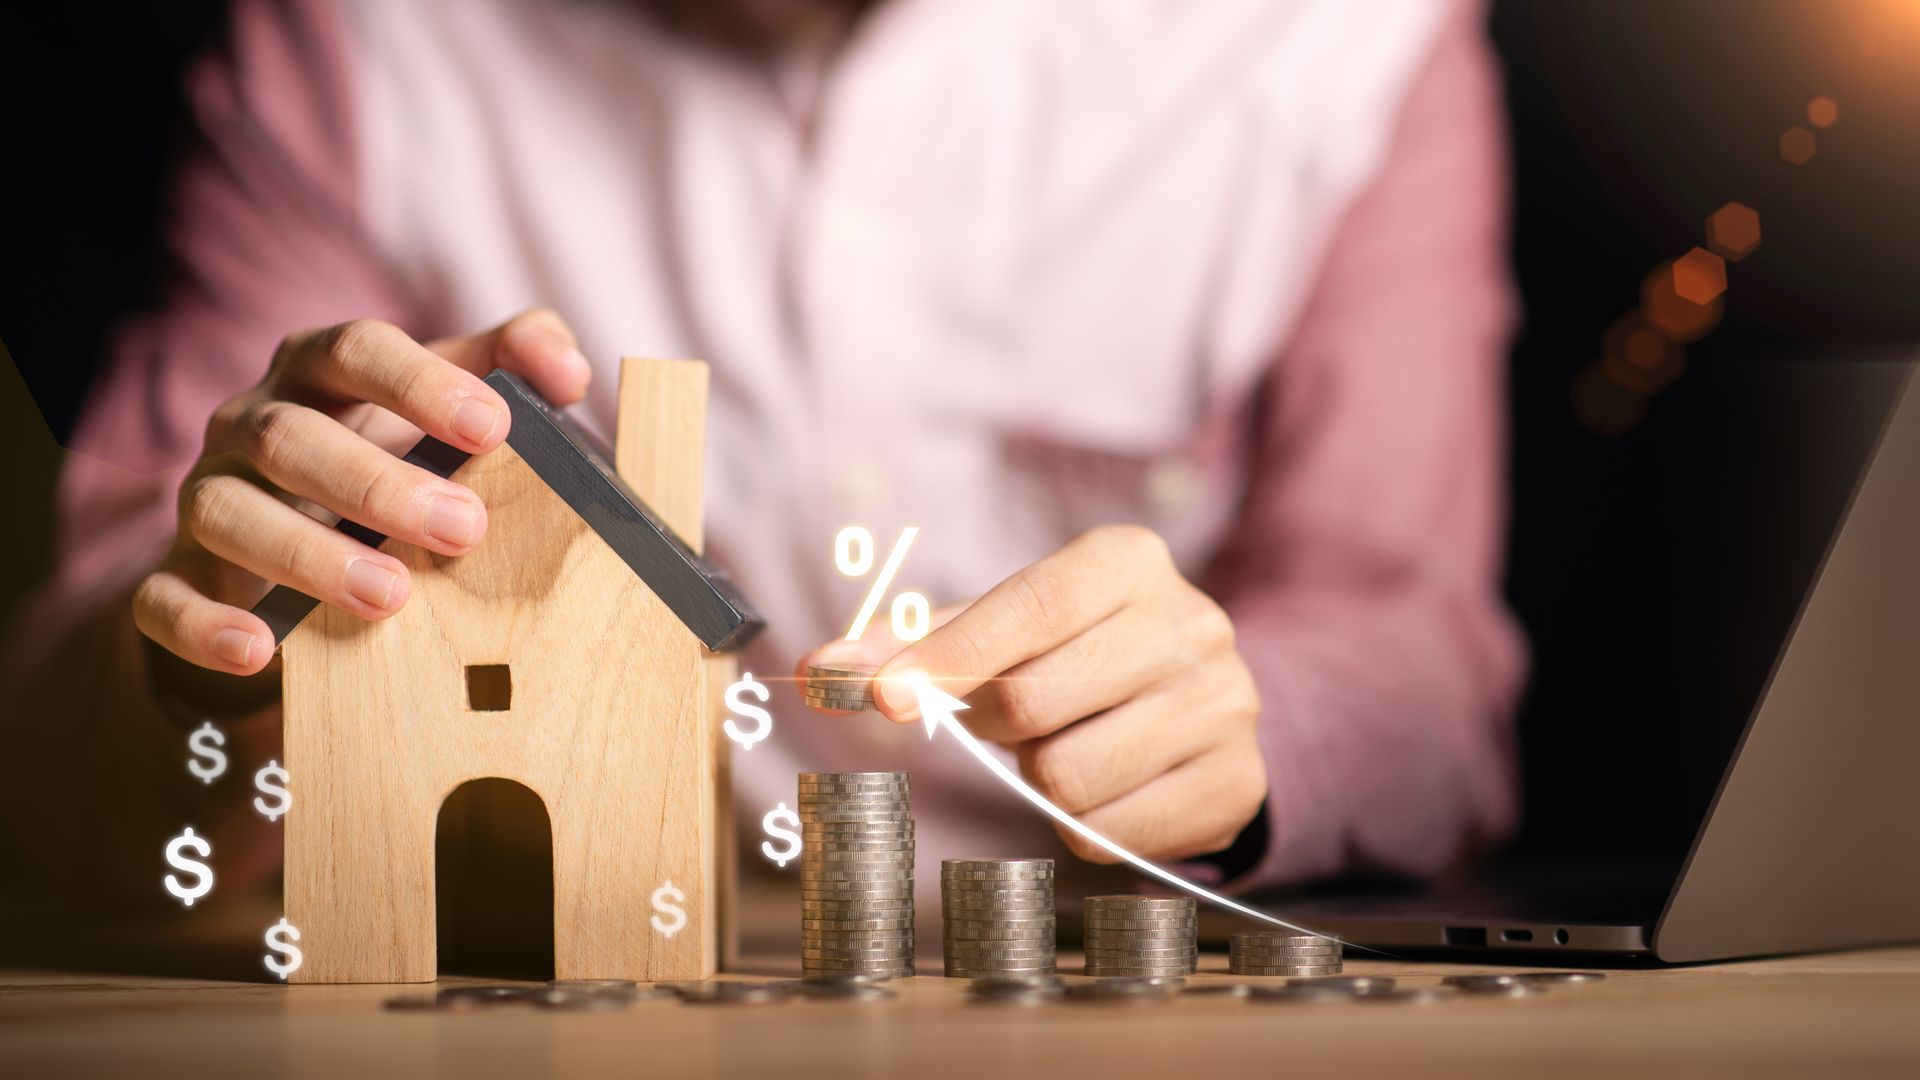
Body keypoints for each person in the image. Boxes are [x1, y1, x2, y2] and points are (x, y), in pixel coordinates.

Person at [0, 0, 1521, 930]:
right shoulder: (363, 41)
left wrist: (1251, 746)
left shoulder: (1341, 38)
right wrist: (202, 666)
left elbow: (1421, 665)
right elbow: (66, 765)